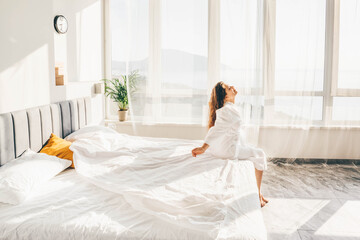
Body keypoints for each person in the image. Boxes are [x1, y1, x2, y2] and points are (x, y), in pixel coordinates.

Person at [191, 81, 269, 207]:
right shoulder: (228, 110)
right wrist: (203, 148)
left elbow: (220, 127)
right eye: (228, 88)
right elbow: (218, 129)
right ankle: (257, 194)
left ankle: (257, 193)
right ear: (225, 96)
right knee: (260, 154)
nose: (232, 87)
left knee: (252, 152)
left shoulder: (228, 108)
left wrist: (233, 97)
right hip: (228, 151)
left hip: (221, 148)